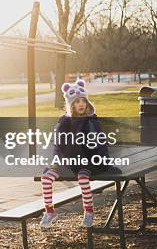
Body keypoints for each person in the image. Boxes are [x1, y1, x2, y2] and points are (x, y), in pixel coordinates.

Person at [39, 79, 119, 228]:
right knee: (46, 178)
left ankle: (89, 211)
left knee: (83, 178)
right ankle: (49, 211)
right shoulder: (64, 121)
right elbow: (58, 144)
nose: (81, 104)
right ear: (71, 104)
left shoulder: (91, 121)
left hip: (86, 161)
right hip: (66, 162)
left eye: (83, 101)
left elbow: (101, 144)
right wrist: (57, 161)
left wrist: (105, 162)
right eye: (77, 102)